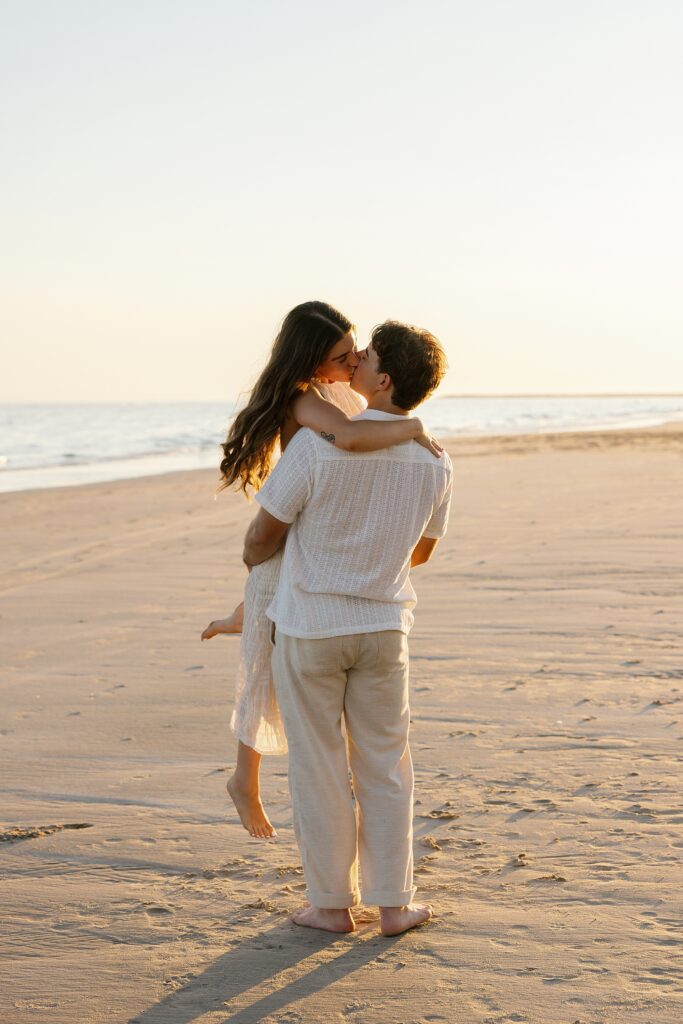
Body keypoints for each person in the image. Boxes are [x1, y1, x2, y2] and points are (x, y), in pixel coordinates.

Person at [201, 301, 442, 839]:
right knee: (262, 665)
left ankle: (243, 615)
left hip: (316, 537)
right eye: (342, 353)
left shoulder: (338, 391)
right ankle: (244, 780)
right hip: (292, 535)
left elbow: (371, 421)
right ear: (314, 360)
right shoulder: (307, 398)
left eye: (356, 348)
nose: (353, 357)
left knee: (264, 626)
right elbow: (354, 440)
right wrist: (414, 428)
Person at [241, 321, 452, 936]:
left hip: (311, 627)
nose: (354, 359)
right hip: (385, 627)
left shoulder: (314, 445)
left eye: (367, 355)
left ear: (382, 380)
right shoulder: (435, 459)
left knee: (319, 765)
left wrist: (263, 562)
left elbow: (263, 534)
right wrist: (372, 554)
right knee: (386, 764)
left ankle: (330, 906)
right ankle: (394, 904)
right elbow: (421, 553)